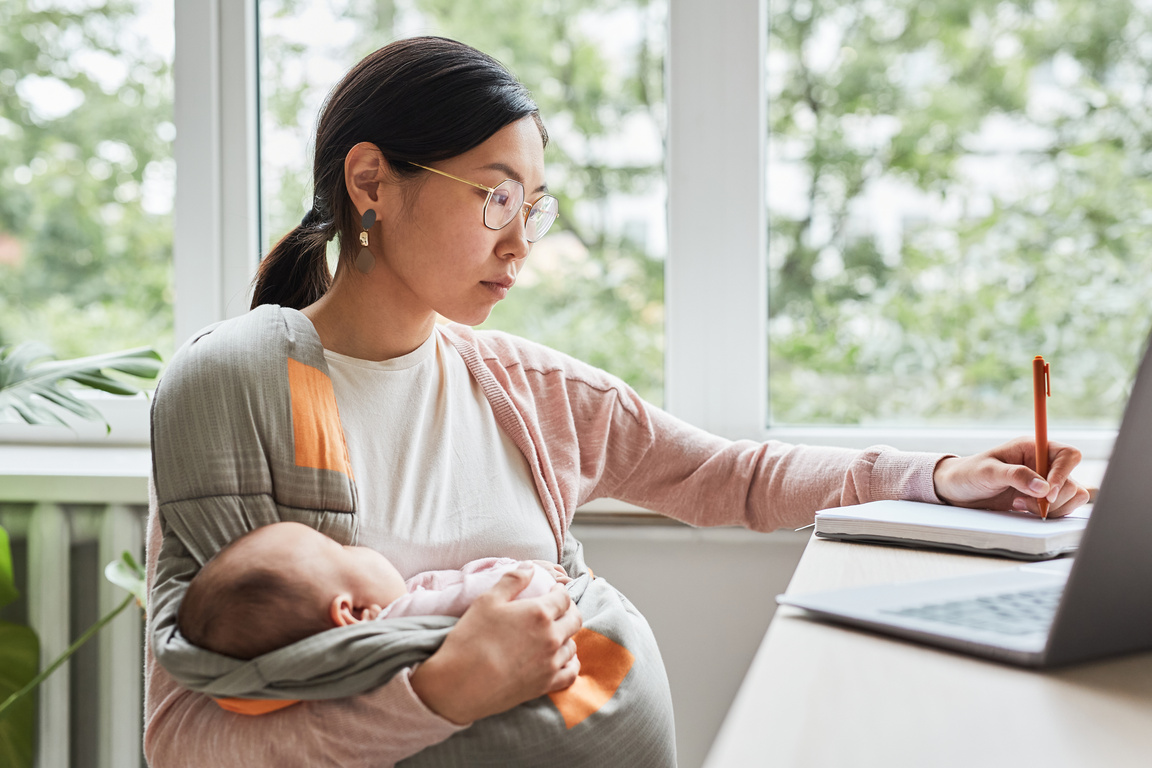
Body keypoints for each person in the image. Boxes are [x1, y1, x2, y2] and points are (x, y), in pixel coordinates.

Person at [143, 35, 1089, 768]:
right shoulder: (236, 394)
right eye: (495, 197)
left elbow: (732, 476)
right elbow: (184, 739)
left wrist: (941, 477)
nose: (521, 243)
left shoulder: (527, 390)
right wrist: (439, 695)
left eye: (535, 205)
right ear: (370, 182)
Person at [178, 521, 567, 661]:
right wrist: (529, 572)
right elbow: (519, 597)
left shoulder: (400, 609)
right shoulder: (403, 621)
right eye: (339, 550)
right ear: (354, 613)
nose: (352, 545)